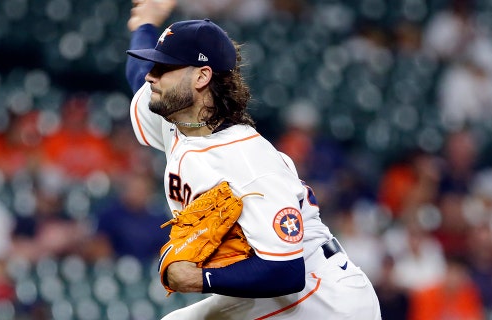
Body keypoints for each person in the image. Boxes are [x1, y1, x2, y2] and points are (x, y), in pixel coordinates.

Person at [124, 0, 381, 318]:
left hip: (323, 300)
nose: (152, 76)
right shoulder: (174, 112)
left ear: (202, 77)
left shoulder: (246, 162)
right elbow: (137, 76)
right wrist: (145, 25)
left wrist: (200, 279)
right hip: (285, 294)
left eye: (164, 67)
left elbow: (286, 271)